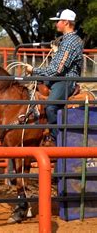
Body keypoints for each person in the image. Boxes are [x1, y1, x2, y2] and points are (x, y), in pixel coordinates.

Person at [26, 9, 84, 146]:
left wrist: (34, 70)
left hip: (65, 80)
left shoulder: (70, 42)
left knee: (51, 106)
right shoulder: (65, 41)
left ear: (66, 22)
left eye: (58, 21)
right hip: (59, 78)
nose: (56, 24)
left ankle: (56, 138)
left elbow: (57, 70)